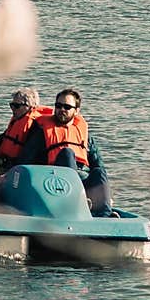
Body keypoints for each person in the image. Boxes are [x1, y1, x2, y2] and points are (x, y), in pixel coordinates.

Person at [19, 88, 115, 217]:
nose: (62, 109)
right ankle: (79, 202)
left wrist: (104, 191)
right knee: (67, 153)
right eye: (58, 106)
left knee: (99, 171)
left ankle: (104, 214)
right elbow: (27, 158)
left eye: (67, 107)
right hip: (56, 179)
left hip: (82, 176)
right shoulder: (42, 132)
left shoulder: (84, 134)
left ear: (76, 110)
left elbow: (97, 162)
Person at [0, 87, 50, 176]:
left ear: (30, 107)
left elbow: (27, 157)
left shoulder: (37, 129)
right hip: (7, 164)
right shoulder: (17, 121)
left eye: (16, 106)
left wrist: (8, 174)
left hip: (22, 172)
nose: (12, 108)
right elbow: (0, 143)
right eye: (11, 105)